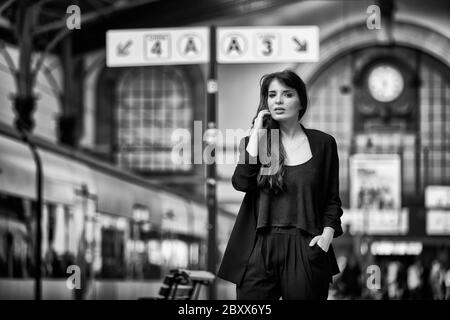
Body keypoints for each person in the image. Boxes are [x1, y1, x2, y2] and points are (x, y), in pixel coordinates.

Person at [217, 70, 343, 300]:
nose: (278, 100)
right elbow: (241, 182)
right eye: (272, 94)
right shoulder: (258, 143)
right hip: (259, 247)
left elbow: (332, 200)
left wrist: (326, 236)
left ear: (301, 101)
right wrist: (256, 132)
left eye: (287, 94)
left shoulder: (324, 144)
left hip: (306, 245)